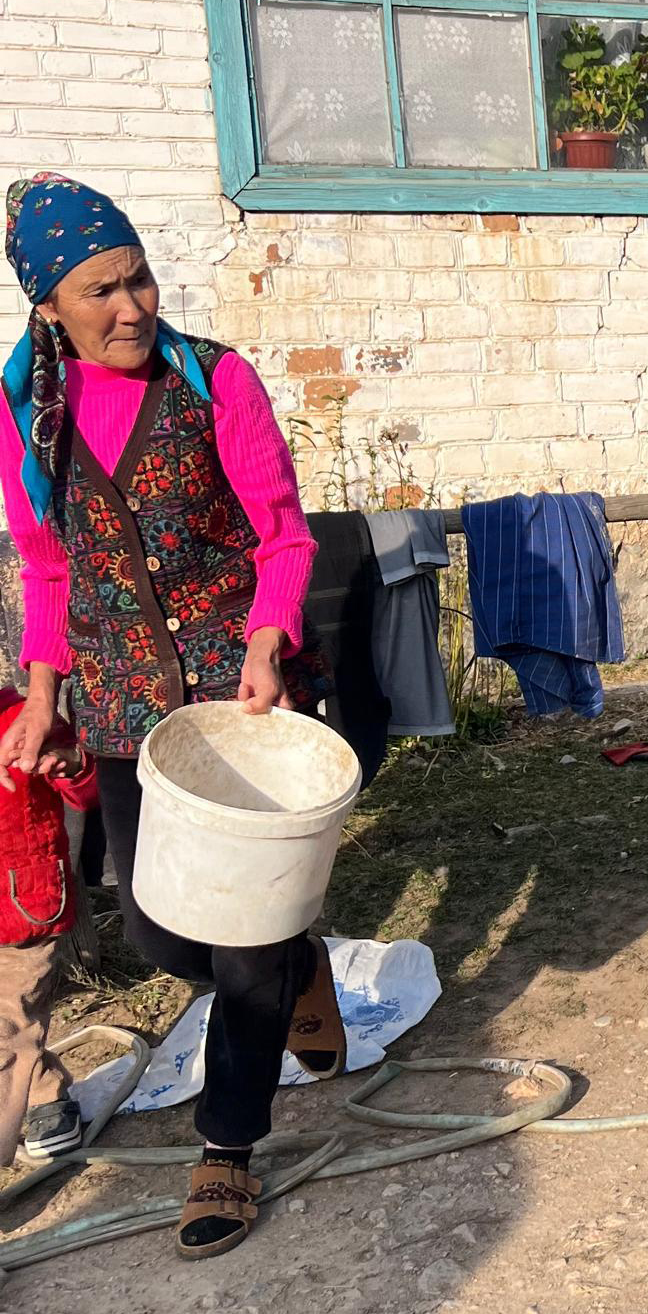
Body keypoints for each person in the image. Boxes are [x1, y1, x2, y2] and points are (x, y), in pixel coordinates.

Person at [0, 174, 347, 1257]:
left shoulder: (215, 382)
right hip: (116, 705)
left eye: (139, 275)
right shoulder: (25, 410)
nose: (133, 305)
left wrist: (264, 645)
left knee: (243, 937)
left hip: (236, 691)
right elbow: (48, 569)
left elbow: (284, 538)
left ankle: (227, 1147)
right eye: (101, 288)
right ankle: (301, 969)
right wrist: (44, 693)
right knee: (156, 925)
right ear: (48, 304)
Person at [0, 682, 97, 1163]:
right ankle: (39, 1093)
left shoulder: (25, 716)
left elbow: (88, 790)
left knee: (11, 1023)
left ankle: (35, 1108)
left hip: (22, 904)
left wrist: (71, 764)